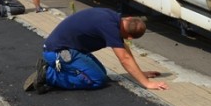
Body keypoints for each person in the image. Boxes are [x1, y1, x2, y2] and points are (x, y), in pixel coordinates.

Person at [24, 8, 168, 93]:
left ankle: (57, 69)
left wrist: (140, 74)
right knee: (97, 80)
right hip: (59, 52)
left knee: (102, 73)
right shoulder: (111, 28)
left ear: (128, 18)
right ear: (130, 36)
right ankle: (48, 75)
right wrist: (147, 84)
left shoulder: (113, 18)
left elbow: (125, 49)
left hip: (66, 48)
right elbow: (124, 59)